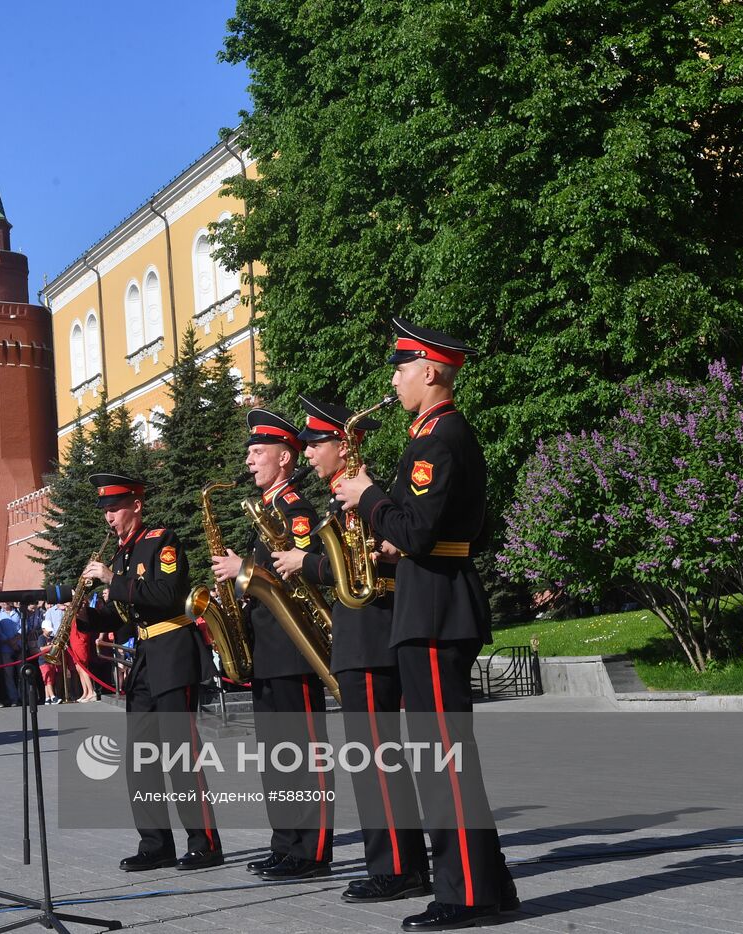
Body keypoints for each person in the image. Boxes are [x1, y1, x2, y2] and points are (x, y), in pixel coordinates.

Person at [332, 318, 517, 931]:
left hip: (434, 610)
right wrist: (401, 542)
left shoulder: (437, 439)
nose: (396, 378)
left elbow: (415, 528)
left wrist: (367, 497)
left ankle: (466, 896)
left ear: (431, 371)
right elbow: (454, 531)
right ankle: (490, 885)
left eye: (403, 367)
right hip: (435, 598)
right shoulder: (438, 435)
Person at [278, 395, 432, 902]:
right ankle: (398, 864)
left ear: (344, 445)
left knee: (376, 760)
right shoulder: (337, 499)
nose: (308, 453)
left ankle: (396, 869)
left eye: (315, 443)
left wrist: (308, 567)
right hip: (356, 635)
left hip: (369, 636)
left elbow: (373, 566)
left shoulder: (361, 494)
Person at [211, 408, 335, 881]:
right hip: (268, 645)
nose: (249, 460)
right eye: (249, 452)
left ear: (285, 458)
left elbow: (300, 571)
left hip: (294, 643)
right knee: (277, 755)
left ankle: (313, 849)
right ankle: (286, 842)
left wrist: (244, 568)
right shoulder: (266, 510)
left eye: (257, 451)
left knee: (302, 751)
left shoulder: (296, 510)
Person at [78, 472, 222, 872]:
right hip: (143, 658)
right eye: (105, 511)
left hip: (173, 653)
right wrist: (85, 617)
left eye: (115, 509)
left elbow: (166, 595)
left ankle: (205, 842)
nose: (109, 517)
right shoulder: (123, 554)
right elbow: (123, 614)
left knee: (180, 755)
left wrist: (111, 580)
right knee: (141, 759)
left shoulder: (162, 541)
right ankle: (155, 843)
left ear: (136, 505)